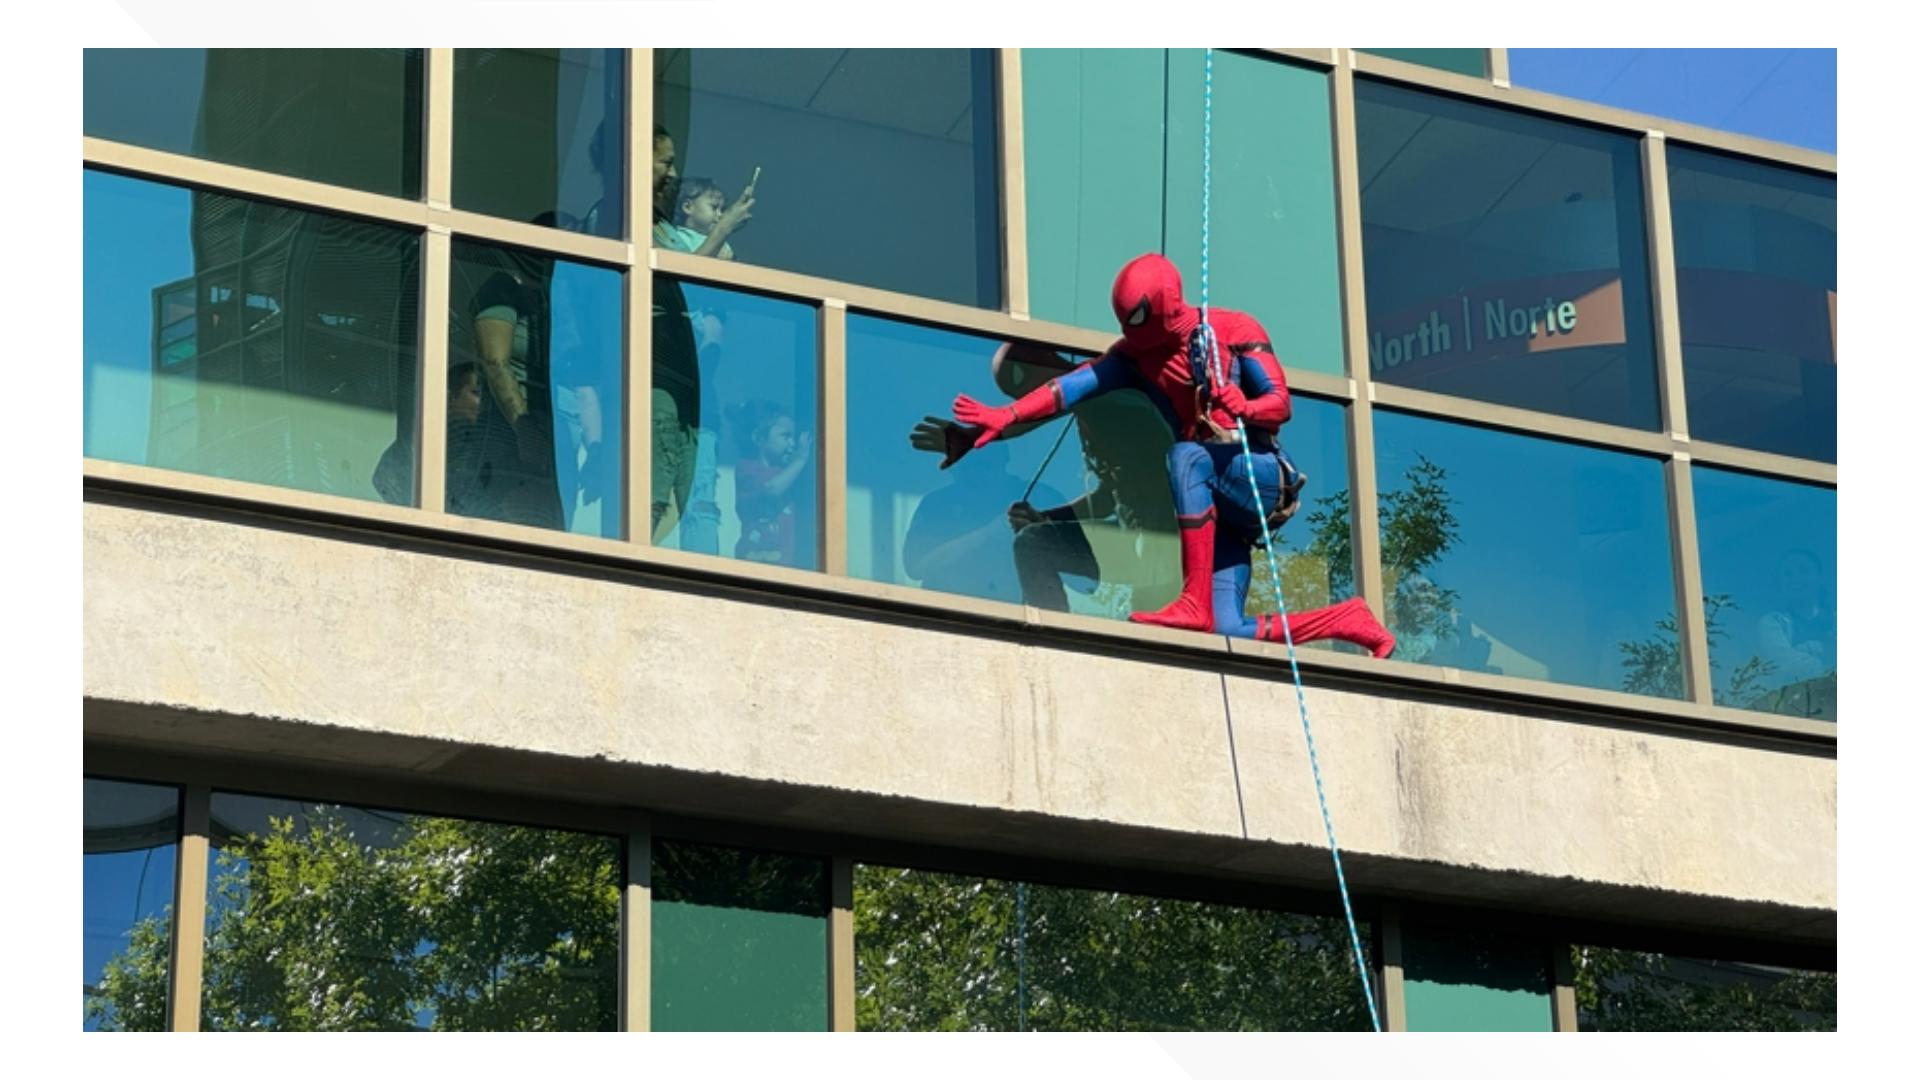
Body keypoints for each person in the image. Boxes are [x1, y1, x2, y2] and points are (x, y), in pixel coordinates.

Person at [948, 253, 1394, 656]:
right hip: (1216, 501)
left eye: (1138, 324)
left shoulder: (1235, 330)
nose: (1133, 338)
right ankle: (1347, 619)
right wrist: (1006, 415)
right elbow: (1073, 385)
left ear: (1165, 305)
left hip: (1259, 474)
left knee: (1186, 457)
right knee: (1227, 629)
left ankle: (1194, 599)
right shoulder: (1133, 358)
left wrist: (1247, 406)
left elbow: (1280, 403)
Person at [732, 402, 813, 567]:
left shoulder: (786, 472)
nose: (792, 443)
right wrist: (800, 461)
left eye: (794, 438)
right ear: (759, 438)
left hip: (784, 562)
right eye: (786, 436)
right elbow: (771, 489)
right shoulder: (747, 468)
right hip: (753, 559)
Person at [661, 177, 738, 261]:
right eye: (714, 207)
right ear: (688, 207)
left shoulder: (721, 241)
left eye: (722, 210)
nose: (720, 215)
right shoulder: (677, 238)